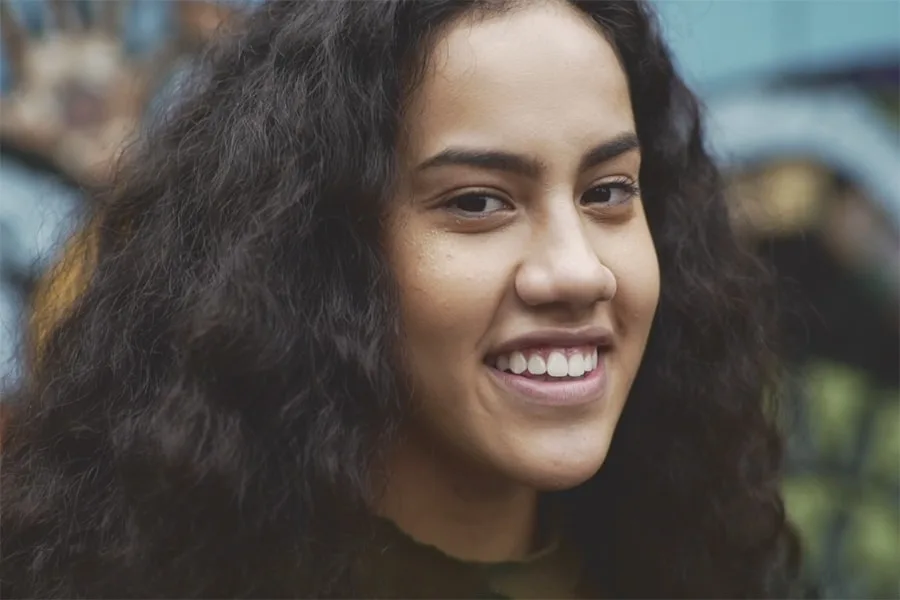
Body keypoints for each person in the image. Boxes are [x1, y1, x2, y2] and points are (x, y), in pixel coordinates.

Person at [0, 0, 804, 597]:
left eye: (608, 192)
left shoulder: (692, 565)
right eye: (479, 202)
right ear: (317, 252)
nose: (579, 271)